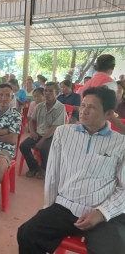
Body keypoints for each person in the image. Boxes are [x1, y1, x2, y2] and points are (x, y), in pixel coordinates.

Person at [17, 86, 125, 254]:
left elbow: (123, 189)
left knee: (113, 250)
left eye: (92, 107)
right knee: (26, 234)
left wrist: (102, 213)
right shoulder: (63, 133)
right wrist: (48, 208)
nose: (84, 111)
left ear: (108, 114)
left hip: (101, 212)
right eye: (83, 105)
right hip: (66, 207)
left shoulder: (120, 143)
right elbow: (53, 174)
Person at [19, 82, 65, 179]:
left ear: (57, 93)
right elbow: (31, 121)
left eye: (50, 91)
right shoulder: (39, 106)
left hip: (53, 135)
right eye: (46, 90)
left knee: (44, 148)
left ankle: (44, 169)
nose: (47, 93)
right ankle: (35, 167)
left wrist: (41, 141)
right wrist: (32, 132)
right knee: (23, 146)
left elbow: (54, 128)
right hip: (39, 132)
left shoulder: (60, 107)